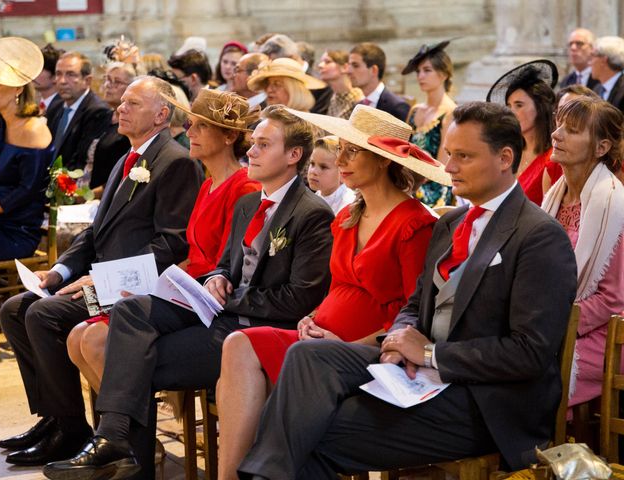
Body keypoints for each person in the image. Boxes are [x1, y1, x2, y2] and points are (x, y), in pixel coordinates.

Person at [237, 101, 578, 479]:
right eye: (449, 155)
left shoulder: (540, 236)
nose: (448, 168)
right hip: (420, 374)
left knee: (313, 430)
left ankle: (259, 474)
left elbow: (529, 352)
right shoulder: (451, 222)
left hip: (486, 402)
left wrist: (432, 353)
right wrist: (398, 339)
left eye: (463, 156)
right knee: (307, 356)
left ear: (505, 158)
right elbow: (416, 303)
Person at [43, 105, 335, 480]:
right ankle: (114, 439)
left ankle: (124, 455)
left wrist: (225, 296)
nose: (252, 152)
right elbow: (224, 263)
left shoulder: (311, 213)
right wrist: (215, 278)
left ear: (294, 155)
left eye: (263, 145)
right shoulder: (250, 203)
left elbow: (299, 299)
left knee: (129, 359)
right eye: (254, 143)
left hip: (253, 328)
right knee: (131, 315)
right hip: (218, 308)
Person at [217, 105, 444, 479]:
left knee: (245, 377)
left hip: (368, 350)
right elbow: (335, 287)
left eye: (352, 151)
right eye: (341, 149)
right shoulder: (347, 216)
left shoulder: (413, 224)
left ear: (383, 161)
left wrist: (349, 340)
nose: (341, 159)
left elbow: (414, 311)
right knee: (238, 345)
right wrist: (310, 317)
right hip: (319, 336)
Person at [0, 76, 203, 468]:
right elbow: (97, 231)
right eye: (121, 102)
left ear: (161, 114)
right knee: (15, 308)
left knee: (42, 315)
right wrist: (57, 272)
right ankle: (56, 418)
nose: (119, 108)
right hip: (101, 278)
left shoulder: (174, 164)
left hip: (130, 289)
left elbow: (171, 244)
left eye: (132, 103)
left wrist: (103, 278)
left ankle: (72, 429)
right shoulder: (128, 157)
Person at [66, 89, 261, 394]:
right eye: (190, 123)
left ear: (228, 137)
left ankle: (128, 436)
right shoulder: (209, 183)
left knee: (93, 339)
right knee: (78, 337)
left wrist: (158, 285)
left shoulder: (244, 188)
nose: (189, 131)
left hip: (206, 300)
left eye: (201, 126)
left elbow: (227, 267)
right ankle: (118, 433)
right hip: (181, 287)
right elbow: (191, 253)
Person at [542, 96, 624, 408]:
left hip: (603, 334)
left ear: (601, 147)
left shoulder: (613, 205)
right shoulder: (556, 193)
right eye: (558, 124)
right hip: (557, 319)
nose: (557, 134)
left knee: (528, 368)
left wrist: (550, 324)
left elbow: (612, 299)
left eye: (572, 129)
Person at [0, 37, 53, 261]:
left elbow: (27, 192)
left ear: (18, 88)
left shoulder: (34, 130)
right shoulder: (1, 126)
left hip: (15, 233)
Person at [487, 60, 563, 205]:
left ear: (540, 107)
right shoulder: (510, 153)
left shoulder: (554, 158)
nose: (511, 112)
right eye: (509, 106)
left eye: (519, 105)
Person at [402, 40, 457, 207]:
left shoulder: (450, 112)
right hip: (409, 179)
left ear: (443, 74)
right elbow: (402, 148)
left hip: (435, 186)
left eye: (427, 70)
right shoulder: (415, 109)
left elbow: (443, 165)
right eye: (418, 71)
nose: (420, 76)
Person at [51, 51, 113, 170]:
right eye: (58, 74)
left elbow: (81, 161)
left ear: (87, 81)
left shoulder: (97, 111)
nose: (62, 81)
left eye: (71, 74)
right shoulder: (55, 107)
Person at [82, 62, 135, 196]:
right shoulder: (101, 115)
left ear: (131, 89)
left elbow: (124, 174)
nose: (108, 85)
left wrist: (90, 195)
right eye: (107, 79)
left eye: (116, 82)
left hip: (106, 195)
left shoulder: (131, 125)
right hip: (85, 188)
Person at [348, 42, 410, 121]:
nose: (348, 71)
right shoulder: (358, 105)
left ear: (374, 70)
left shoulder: (397, 106)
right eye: (349, 65)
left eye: (355, 65)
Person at [247, 57, 326, 111]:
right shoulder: (261, 121)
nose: (269, 89)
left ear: (294, 90)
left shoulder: (307, 126)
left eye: (277, 84)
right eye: (267, 84)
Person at [307, 136, 355, 214]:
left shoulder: (348, 204)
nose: (313, 171)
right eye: (312, 163)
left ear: (342, 171)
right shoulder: (316, 196)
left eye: (323, 167)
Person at [317, 50, 364, 119]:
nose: (320, 65)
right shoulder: (335, 97)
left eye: (327, 62)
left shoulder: (358, 97)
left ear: (344, 67)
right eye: (321, 62)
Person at [590, 36, 624, 112]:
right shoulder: (597, 89)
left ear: (603, 60)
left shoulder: (622, 92)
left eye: (592, 56)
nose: (590, 63)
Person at [34, 43, 64, 117]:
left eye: (40, 69)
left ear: (55, 76)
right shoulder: (37, 104)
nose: (33, 73)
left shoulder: (63, 107)